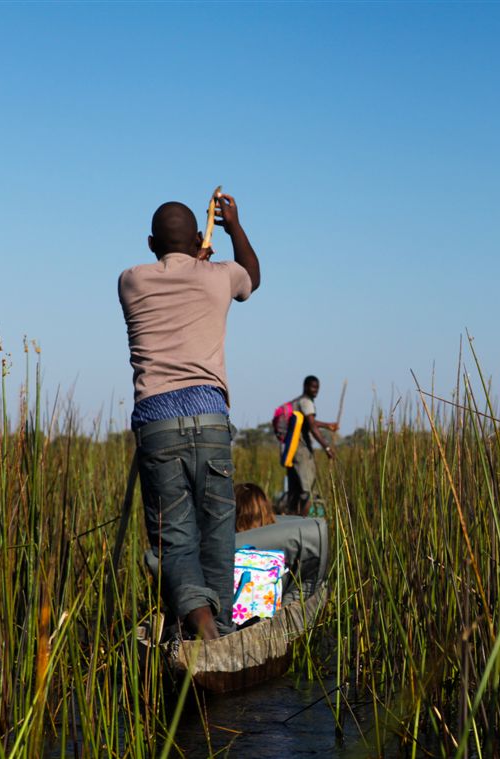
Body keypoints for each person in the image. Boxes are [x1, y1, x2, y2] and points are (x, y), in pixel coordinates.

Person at [118, 191, 260, 640]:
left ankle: (200, 625)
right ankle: (214, 628)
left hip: (158, 421)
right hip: (210, 416)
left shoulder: (131, 280)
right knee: (218, 534)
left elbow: (178, 271)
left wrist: (196, 255)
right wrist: (233, 225)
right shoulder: (217, 277)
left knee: (174, 537)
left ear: (149, 243)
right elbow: (251, 279)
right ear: (200, 239)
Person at [284, 376, 338, 516]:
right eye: (313, 387)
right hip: (301, 451)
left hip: (291, 451)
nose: (315, 391)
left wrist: (327, 425)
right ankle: (302, 523)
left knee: (294, 490)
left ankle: (290, 519)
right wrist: (326, 447)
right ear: (306, 386)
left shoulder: (296, 402)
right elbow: (313, 427)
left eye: (317, 388)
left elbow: (308, 422)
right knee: (307, 491)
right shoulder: (306, 402)